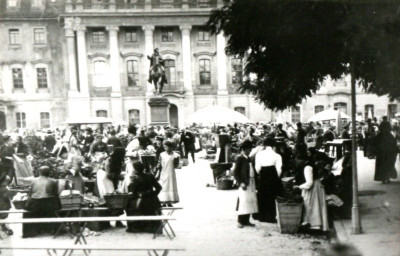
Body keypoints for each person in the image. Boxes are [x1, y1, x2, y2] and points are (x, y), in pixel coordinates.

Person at [293, 150, 329, 231]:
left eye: (298, 160)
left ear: (302, 160)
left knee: (311, 205)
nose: (297, 161)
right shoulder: (309, 165)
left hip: (313, 188)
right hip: (316, 186)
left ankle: (314, 225)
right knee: (315, 206)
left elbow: (309, 183)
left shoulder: (307, 167)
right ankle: (314, 224)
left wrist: (299, 187)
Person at [23, 166, 60, 238]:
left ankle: (28, 233)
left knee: (27, 214)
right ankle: (54, 230)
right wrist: (58, 205)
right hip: (48, 203)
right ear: (49, 173)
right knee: (57, 211)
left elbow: (30, 194)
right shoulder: (53, 181)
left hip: (35, 203)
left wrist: (27, 205)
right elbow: (56, 195)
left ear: (39, 172)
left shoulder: (33, 181)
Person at [125, 161, 162, 233]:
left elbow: (133, 194)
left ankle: (134, 226)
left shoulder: (135, 179)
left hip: (142, 202)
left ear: (136, 170)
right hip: (153, 201)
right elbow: (159, 188)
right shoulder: (150, 176)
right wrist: (153, 195)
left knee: (129, 206)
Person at [255, 137, 283, 223]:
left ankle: (262, 216)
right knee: (271, 196)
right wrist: (276, 177)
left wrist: (261, 174)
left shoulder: (259, 154)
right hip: (273, 176)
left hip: (263, 175)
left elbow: (257, 168)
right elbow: (279, 170)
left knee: (262, 195)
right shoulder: (277, 155)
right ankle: (271, 217)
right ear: (273, 145)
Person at [233, 140, 258, 228]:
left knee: (249, 201)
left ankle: (246, 220)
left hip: (250, 181)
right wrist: (240, 183)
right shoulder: (239, 158)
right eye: (249, 149)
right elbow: (235, 172)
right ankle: (240, 221)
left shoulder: (248, 158)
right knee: (243, 201)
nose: (250, 151)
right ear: (245, 149)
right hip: (244, 182)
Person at [157, 141, 180, 207]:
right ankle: (163, 201)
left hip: (171, 173)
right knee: (163, 186)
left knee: (170, 185)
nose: (165, 148)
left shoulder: (175, 155)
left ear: (170, 147)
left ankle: (169, 201)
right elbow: (159, 163)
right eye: (164, 147)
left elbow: (176, 165)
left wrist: (176, 160)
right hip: (163, 172)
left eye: (166, 147)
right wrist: (157, 170)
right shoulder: (162, 154)